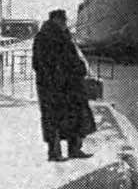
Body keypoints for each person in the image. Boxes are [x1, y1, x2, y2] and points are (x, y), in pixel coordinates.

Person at [32, 9, 94, 161]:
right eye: (63, 20)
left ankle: (74, 149)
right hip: (52, 87)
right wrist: (56, 78)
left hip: (70, 85)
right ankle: (54, 153)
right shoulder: (44, 37)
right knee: (53, 119)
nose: (65, 23)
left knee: (74, 116)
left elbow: (71, 58)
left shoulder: (65, 36)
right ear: (55, 20)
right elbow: (39, 63)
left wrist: (78, 68)